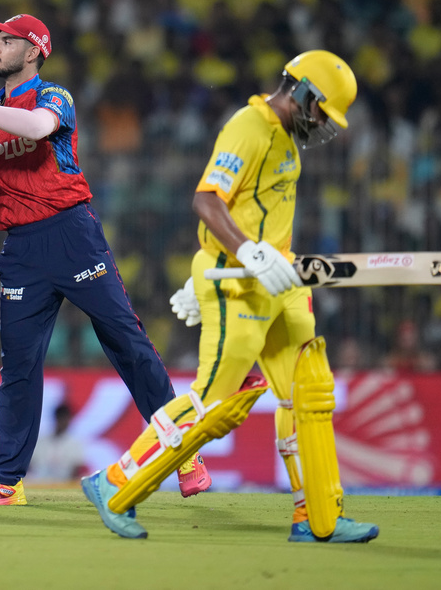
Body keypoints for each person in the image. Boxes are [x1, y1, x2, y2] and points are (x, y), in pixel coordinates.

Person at [0, 14, 208, 505]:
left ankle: (185, 452)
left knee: (125, 341)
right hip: (21, 250)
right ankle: (5, 481)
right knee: (19, 367)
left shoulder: (53, 97)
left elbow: (39, 127)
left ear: (34, 51)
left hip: (71, 235)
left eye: (8, 40)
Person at [82, 50, 380, 543]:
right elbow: (207, 200)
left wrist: (260, 256)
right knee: (216, 401)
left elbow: (257, 212)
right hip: (241, 279)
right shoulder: (250, 126)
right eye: (321, 111)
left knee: (307, 390)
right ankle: (114, 482)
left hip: (279, 279)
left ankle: (316, 516)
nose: (321, 123)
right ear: (303, 91)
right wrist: (241, 256)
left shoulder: (284, 136)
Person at [28, 403, 86, 482]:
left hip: (65, 485)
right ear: (56, 418)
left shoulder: (75, 444)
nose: (64, 422)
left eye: (66, 419)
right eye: (62, 419)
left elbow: (76, 469)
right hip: (40, 484)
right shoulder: (41, 442)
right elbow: (30, 466)